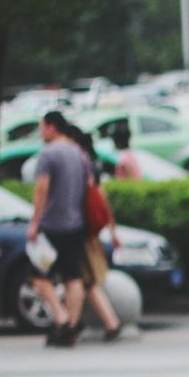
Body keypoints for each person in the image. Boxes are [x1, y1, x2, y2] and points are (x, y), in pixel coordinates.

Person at [28, 112, 90, 347]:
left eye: (41, 127)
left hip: (52, 225)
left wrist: (34, 222)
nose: (40, 133)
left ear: (52, 127)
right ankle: (71, 328)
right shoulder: (79, 153)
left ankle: (63, 319)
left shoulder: (49, 153)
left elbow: (42, 189)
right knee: (73, 277)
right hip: (76, 224)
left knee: (39, 277)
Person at [65, 124, 123, 342]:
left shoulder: (81, 164)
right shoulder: (91, 163)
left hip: (81, 230)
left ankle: (71, 325)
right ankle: (108, 323)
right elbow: (103, 201)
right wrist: (113, 231)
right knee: (86, 282)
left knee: (79, 279)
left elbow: (96, 200)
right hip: (88, 231)